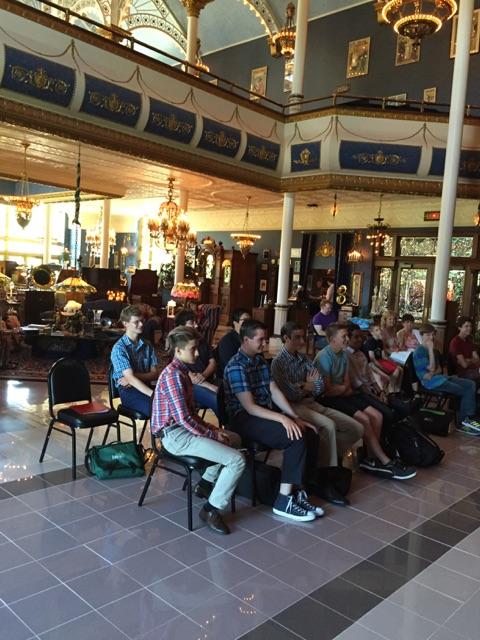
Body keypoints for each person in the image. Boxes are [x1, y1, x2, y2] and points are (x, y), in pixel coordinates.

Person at [151, 326, 246, 535]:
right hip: (173, 436)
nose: (197, 354)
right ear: (178, 351)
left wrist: (212, 430)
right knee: (237, 460)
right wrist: (213, 434)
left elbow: (191, 415)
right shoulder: (173, 376)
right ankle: (211, 510)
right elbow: (184, 419)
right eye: (193, 349)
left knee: (235, 438)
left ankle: (205, 483)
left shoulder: (183, 372)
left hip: (182, 430)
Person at [224, 319, 321, 522]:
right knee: (295, 437)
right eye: (260, 340)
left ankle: (298, 491)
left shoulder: (260, 361)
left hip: (262, 414)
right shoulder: (236, 366)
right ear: (246, 340)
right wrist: (283, 419)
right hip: (243, 419)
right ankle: (283, 500)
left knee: (310, 432)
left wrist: (293, 416)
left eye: (265, 339)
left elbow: (274, 390)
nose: (265, 344)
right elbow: (249, 407)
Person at [271, 321, 363, 505]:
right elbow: (288, 392)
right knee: (329, 426)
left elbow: (320, 386)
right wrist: (307, 385)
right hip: (292, 406)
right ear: (285, 338)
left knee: (356, 428)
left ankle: (319, 462)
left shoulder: (303, 358)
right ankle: (324, 478)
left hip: (311, 402)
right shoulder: (278, 363)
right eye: (297, 337)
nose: (302, 341)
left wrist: (305, 386)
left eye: (303, 337)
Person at [314, 323, 416, 480]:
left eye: (347, 336)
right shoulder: (324, 357)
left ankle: (371, 457)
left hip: (345, 395)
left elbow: (347, 384)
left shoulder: (343, 355)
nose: (347, 339)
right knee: (365, 419)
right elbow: (327, 391)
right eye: (344, 336)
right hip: (328, 400)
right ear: (332, 339)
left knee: (378, 416)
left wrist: (342, 388)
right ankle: (384, 460)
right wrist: (342, 389)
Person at [414, 323, 480, 435]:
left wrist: (432, 372)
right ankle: (464, 422)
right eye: (428, 335)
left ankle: (468, 417)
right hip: (430, 383)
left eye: (432, 335)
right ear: (421, 336)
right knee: (466, 390)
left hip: (441, 378)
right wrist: (430, 351)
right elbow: (428, 374)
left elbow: (439, 369)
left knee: (470, 384)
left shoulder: (434, 350)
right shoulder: (419, 352)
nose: (431, 337)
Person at [111, 305, 159, 417]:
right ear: (125, 323)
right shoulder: (119, 348)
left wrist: (132, 377)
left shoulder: (147, 345)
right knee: (158, 408)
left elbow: (155, 374)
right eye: (136, 322)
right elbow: (131, 380)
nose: (141, 324)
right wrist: (153, 394)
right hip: (129, 392)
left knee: (173, 403)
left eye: (142, 321)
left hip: (145, 386)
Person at [175, 309, 218, 416]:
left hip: (206, 378)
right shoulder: (178, 345)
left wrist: (204, 375)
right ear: (182, 326)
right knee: (217, 400)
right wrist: (209, 386)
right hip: (190, 384)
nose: (196, 325)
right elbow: (183, 371)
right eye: (192, 323)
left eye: (196, 322)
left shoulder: (202, 340)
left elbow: (212, 362)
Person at [363, 323, 403, 393]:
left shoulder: (380, 341)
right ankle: (391, 390)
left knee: (400, 369)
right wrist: (383, 368)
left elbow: (384, 356)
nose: (380, 331)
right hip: (373, 363)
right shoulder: (370, 342)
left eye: (380, 329)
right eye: (377, 330)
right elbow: (372, 359)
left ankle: (396, 390)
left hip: (381, 360)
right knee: (396, 371)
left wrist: (394, 363)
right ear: (372, 333)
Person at [217, 308, 251, 375]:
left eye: (250, 320)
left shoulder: (251, 338)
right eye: (245, 320)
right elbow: (231, 366)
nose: (249, 323)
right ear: (235, 323)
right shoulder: (227, 341)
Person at [449, 316, 480, 382]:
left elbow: (478, 361)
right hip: (462, 373)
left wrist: (468, 360)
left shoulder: (469, 341)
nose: (469, 328)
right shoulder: (455, 342)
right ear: (459, 328)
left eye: (470, 326)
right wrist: (472, 360)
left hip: (474, 370)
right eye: (466, 326)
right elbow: (464, 365)